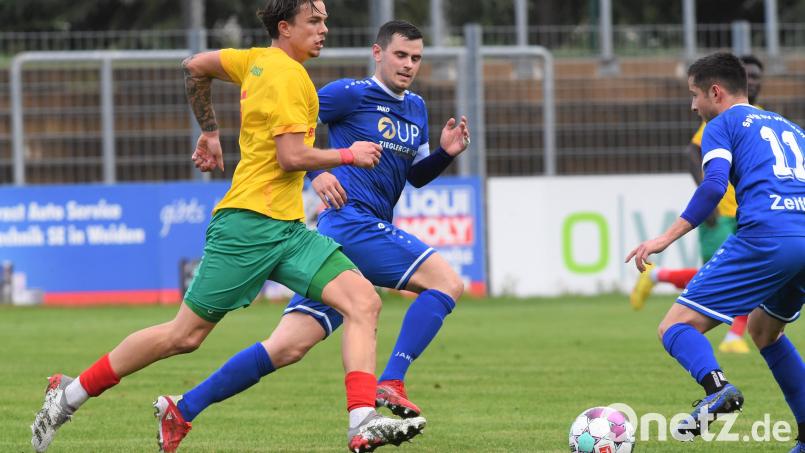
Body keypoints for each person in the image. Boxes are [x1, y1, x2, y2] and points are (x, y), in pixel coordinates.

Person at [30, 2, 425, 453]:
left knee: (362, 301)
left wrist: (209, 131)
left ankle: (361, 420)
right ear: (285, 27)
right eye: (313, 22)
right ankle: (70, 392)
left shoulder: (253, 59)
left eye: (325, 21)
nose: (323, 30)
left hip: (287, 229)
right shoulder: (289, 76)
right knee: (183, 336)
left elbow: (195, 65)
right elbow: (291, 157)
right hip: (248, 228)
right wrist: (347, 154)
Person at [153, 20, 469, 453]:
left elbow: (412, 176)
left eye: (416, 58)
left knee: (286, 347)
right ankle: (390, 382)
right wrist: (317, 173)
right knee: (446, 282)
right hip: (349, 222)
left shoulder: (415, 107)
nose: (408, 65)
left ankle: (182, 409)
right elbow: (286, 131)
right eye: (400, 55)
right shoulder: (349, 93)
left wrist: (444, 155)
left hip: (362, 230)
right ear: (378, 53)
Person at [625, 52, 805, 452]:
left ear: (715, 91)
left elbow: (712, 186)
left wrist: (664, 239)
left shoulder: (722, 123)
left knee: (675, 326)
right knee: (764, 331)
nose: (693, 106)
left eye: (694, 95)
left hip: (767, 236)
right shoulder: (789, 127)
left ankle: (717, 389)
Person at [630, 55, 765, 354]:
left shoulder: (753, 117)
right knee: (729, 278)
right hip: (723, 214)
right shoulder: (724, 120)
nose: (754, 80)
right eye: (749, 74)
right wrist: (711, 203)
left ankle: (658, 276)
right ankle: (734, 337)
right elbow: (695, 155)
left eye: (757, 75)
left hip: (750, 217)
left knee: (730, 278)